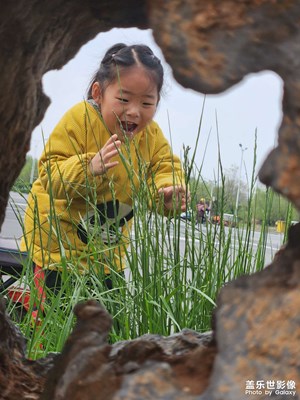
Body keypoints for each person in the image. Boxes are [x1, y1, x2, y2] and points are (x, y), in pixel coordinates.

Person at [20, 43, 188, 303]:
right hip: (57, 249)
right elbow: (50, 174)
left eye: (147, 102)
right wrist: (89, 169)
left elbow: (163, 167)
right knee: (53, 325)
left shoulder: (150, 135)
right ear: (98, 93)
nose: (134, 111)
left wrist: (166, 192)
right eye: (123, 99)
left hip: (108, 254)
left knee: (108, 326)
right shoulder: (80, 120)